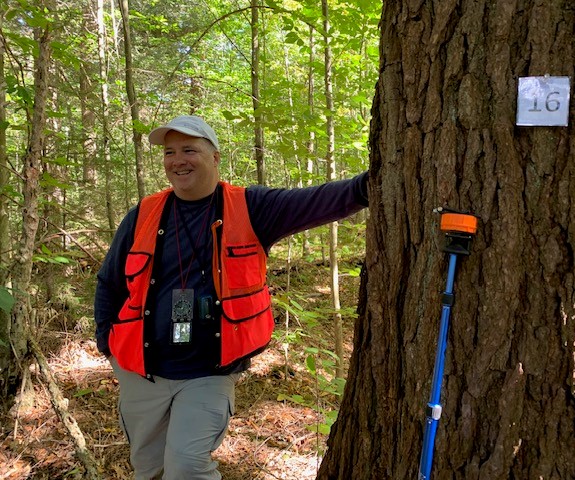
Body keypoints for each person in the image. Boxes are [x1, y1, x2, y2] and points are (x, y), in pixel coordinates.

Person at [94, 115, 369, 480]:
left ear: (215, 157)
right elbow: (109, 282)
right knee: (149, 469)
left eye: (189, 150)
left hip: (207, 372)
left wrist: (369, 184)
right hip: (141, 371)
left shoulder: (250, 206)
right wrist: (107, 345)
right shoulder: (144, 214)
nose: (178, 160)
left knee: (188, 466)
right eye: (170, 152)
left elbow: (318, 201)